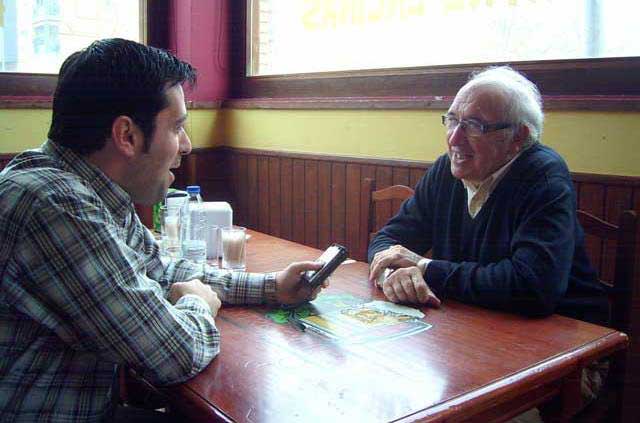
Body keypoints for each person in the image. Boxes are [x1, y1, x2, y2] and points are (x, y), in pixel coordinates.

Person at [0, 38, 324, 422]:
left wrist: (271, 287)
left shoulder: (92, 191)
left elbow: (162, 271)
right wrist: (198, 303)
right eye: (177, 127)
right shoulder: (53, 204)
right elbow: (174, 354)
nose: (186, 145)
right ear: (127, 136)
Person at [367, 66, 608, 421]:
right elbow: (390, 239)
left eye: (475, 125)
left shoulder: (543, 176)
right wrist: (393, 272)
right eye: (452, 120)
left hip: (566, 353)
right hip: (473, 336)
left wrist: (424, 268)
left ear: (518, 137)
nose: (454, 140)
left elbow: (532, 288)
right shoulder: (446, 171)